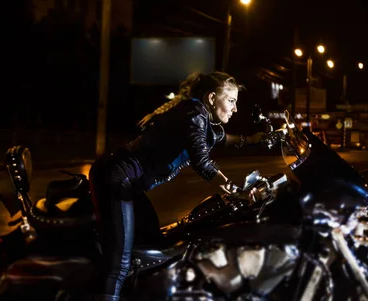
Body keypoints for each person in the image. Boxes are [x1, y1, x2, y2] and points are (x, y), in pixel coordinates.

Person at [88, 72, 265, 300]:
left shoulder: (197, 114)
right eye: (231, 101)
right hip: (116, 179)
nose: (235, 108)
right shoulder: (194, 115)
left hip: (127, 183)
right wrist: (237, 192)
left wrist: (253, 140)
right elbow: (202, 162)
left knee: (153, 246)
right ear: (212, 98)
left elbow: (219, 138)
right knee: (119, 263)